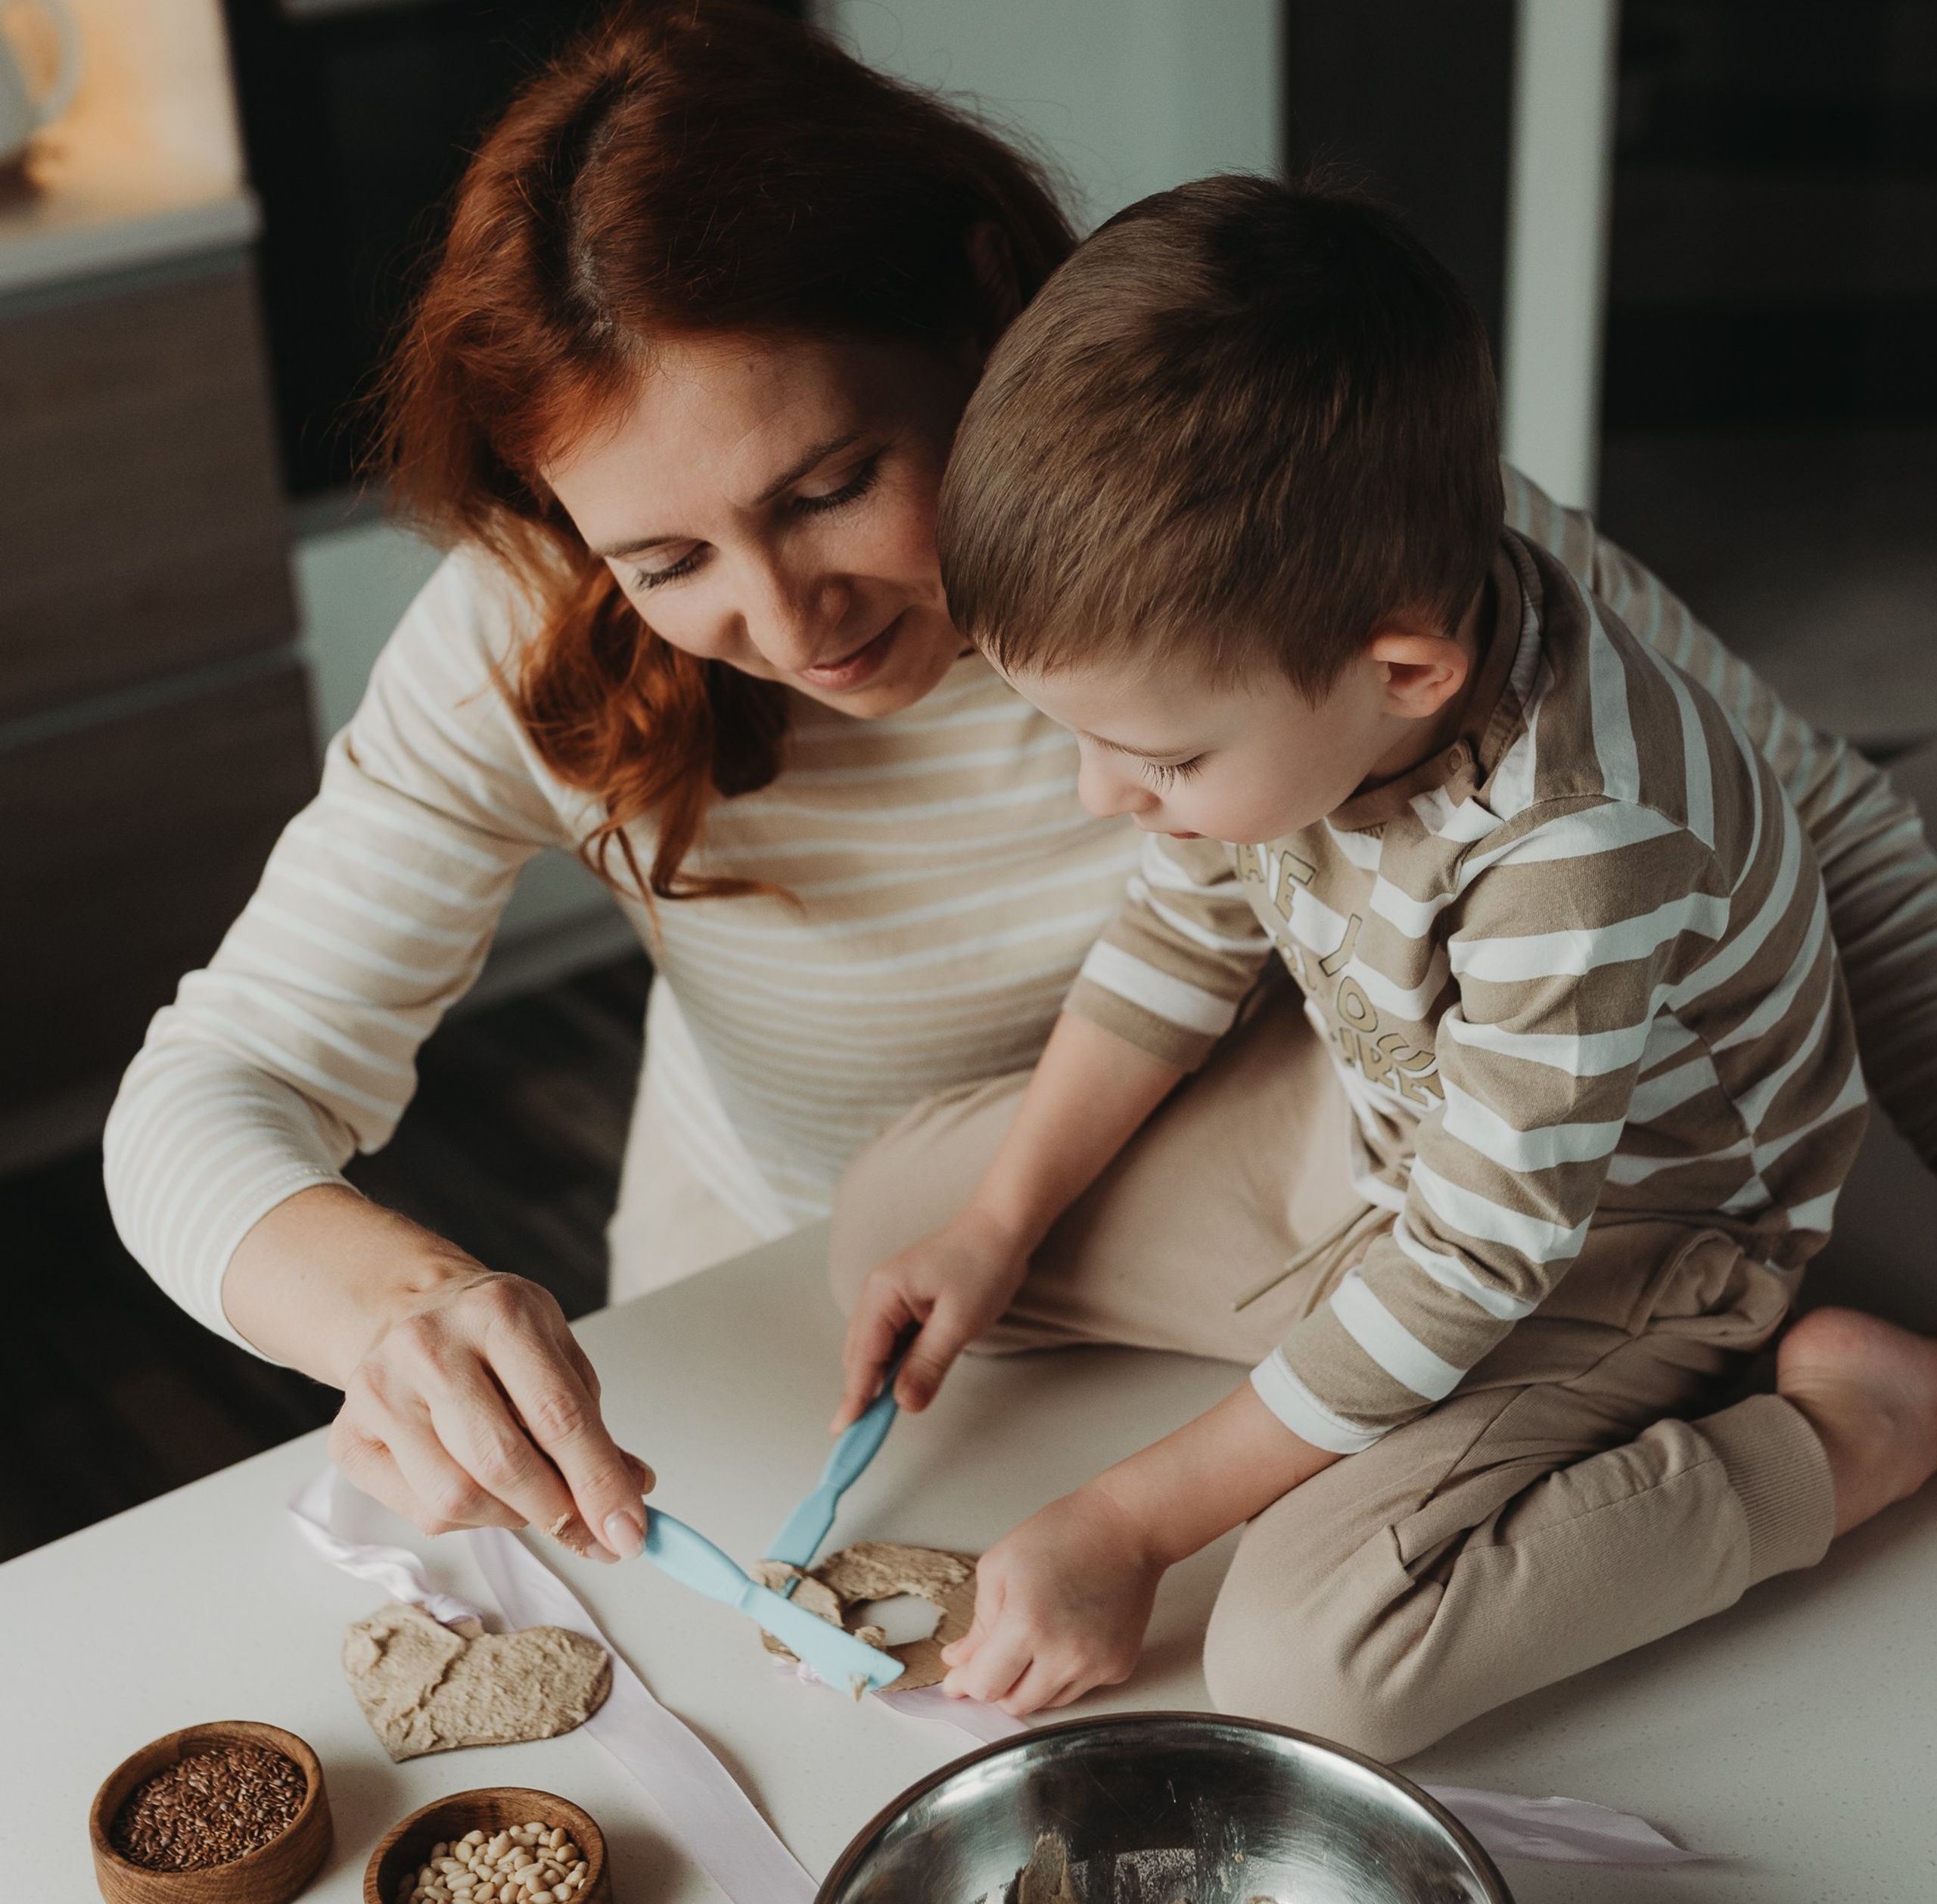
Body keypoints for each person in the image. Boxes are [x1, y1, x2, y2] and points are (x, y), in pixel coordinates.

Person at [103, 2, 1937, 1582]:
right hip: (814, 1273)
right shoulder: (523, 645)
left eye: (831, 485)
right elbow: (210, 1086)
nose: (789, 624)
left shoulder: (1270, 543)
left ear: (979, 303)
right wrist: (396, 1311)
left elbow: (1825, 849)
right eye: (664, 560)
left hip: (1305, 1225)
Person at [829, 175, 1937, 1756]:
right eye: (1072, 737)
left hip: (1620, 1240)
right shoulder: (1311, 648)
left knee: (1314, 1665)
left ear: (1404, 669)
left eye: (1155, 757)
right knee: (898, 1227)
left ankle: (1846, 1435)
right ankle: (1314, 1355)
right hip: (1382, 1133)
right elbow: (1184, 929)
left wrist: (1136, 1518)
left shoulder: (1578, 846)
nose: (1098, 793)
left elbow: (1480, 1257)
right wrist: (998, 1225)